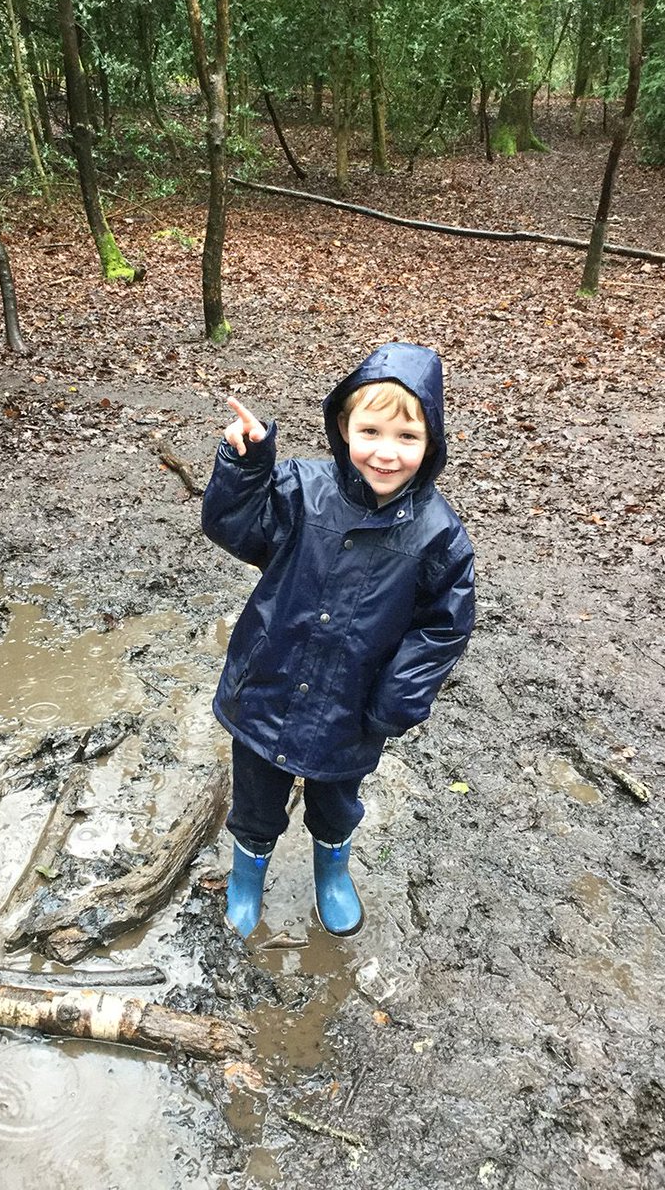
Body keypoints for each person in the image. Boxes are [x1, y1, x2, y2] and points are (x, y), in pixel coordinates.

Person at [202, 341, 475, 939]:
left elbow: (443, 626)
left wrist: (394, 701)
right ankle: (247, 874)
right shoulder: (300, 489)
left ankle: (332, 869)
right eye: (370, 431)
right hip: (268, 686)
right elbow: (232, 527)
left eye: (407, 437)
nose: (386, 452)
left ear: (431, 444)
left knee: (336, 800)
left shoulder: (439, 535)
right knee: (256, 798)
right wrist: (246, 467)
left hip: (352, 706)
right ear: (344, 427)